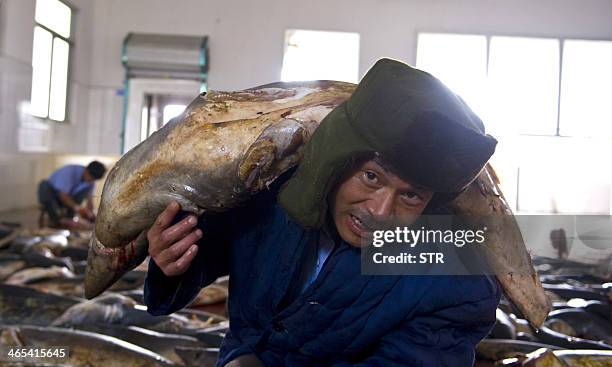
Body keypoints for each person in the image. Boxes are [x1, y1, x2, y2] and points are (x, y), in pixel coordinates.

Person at [144, 58, 501, 366]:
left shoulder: (455, 283)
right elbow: (210, 249)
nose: (380, 211)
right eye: (371, 177)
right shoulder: (265, 194)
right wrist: (174, 261)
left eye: (411, 196)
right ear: (337, 154)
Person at [38, 161, 107, 229]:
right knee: (44, 186)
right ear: (86, 170)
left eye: (93, 179)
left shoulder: (91, 182)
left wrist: (91, 215)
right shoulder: (69, 172)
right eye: (90, 177)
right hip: (54, 197)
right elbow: (63, 195)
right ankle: (55, 220)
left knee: (85, 189)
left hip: (68, 199)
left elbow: (90, 200)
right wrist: (78, 208)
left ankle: (69, 218)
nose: (90, 180)